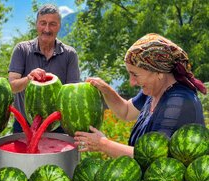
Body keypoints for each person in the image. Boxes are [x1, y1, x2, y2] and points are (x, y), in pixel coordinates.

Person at [74, 33, 206, 158]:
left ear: (158, 72)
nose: (131, 82)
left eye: (135, 74)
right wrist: (106, 90)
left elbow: (153, 157)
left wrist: (103, 144)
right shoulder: (153, 91)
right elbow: (125, 111)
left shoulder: (178, 102)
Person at [8, 4, 80, 133]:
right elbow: (12, 86)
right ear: (36, 24)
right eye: (43, 23)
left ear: (59, 26)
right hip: (24, 127)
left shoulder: (70, 54)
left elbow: (72, 94)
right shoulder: (22, 49)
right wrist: (29, 79)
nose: (47, 29)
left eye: (52, 24)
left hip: (59, 128)